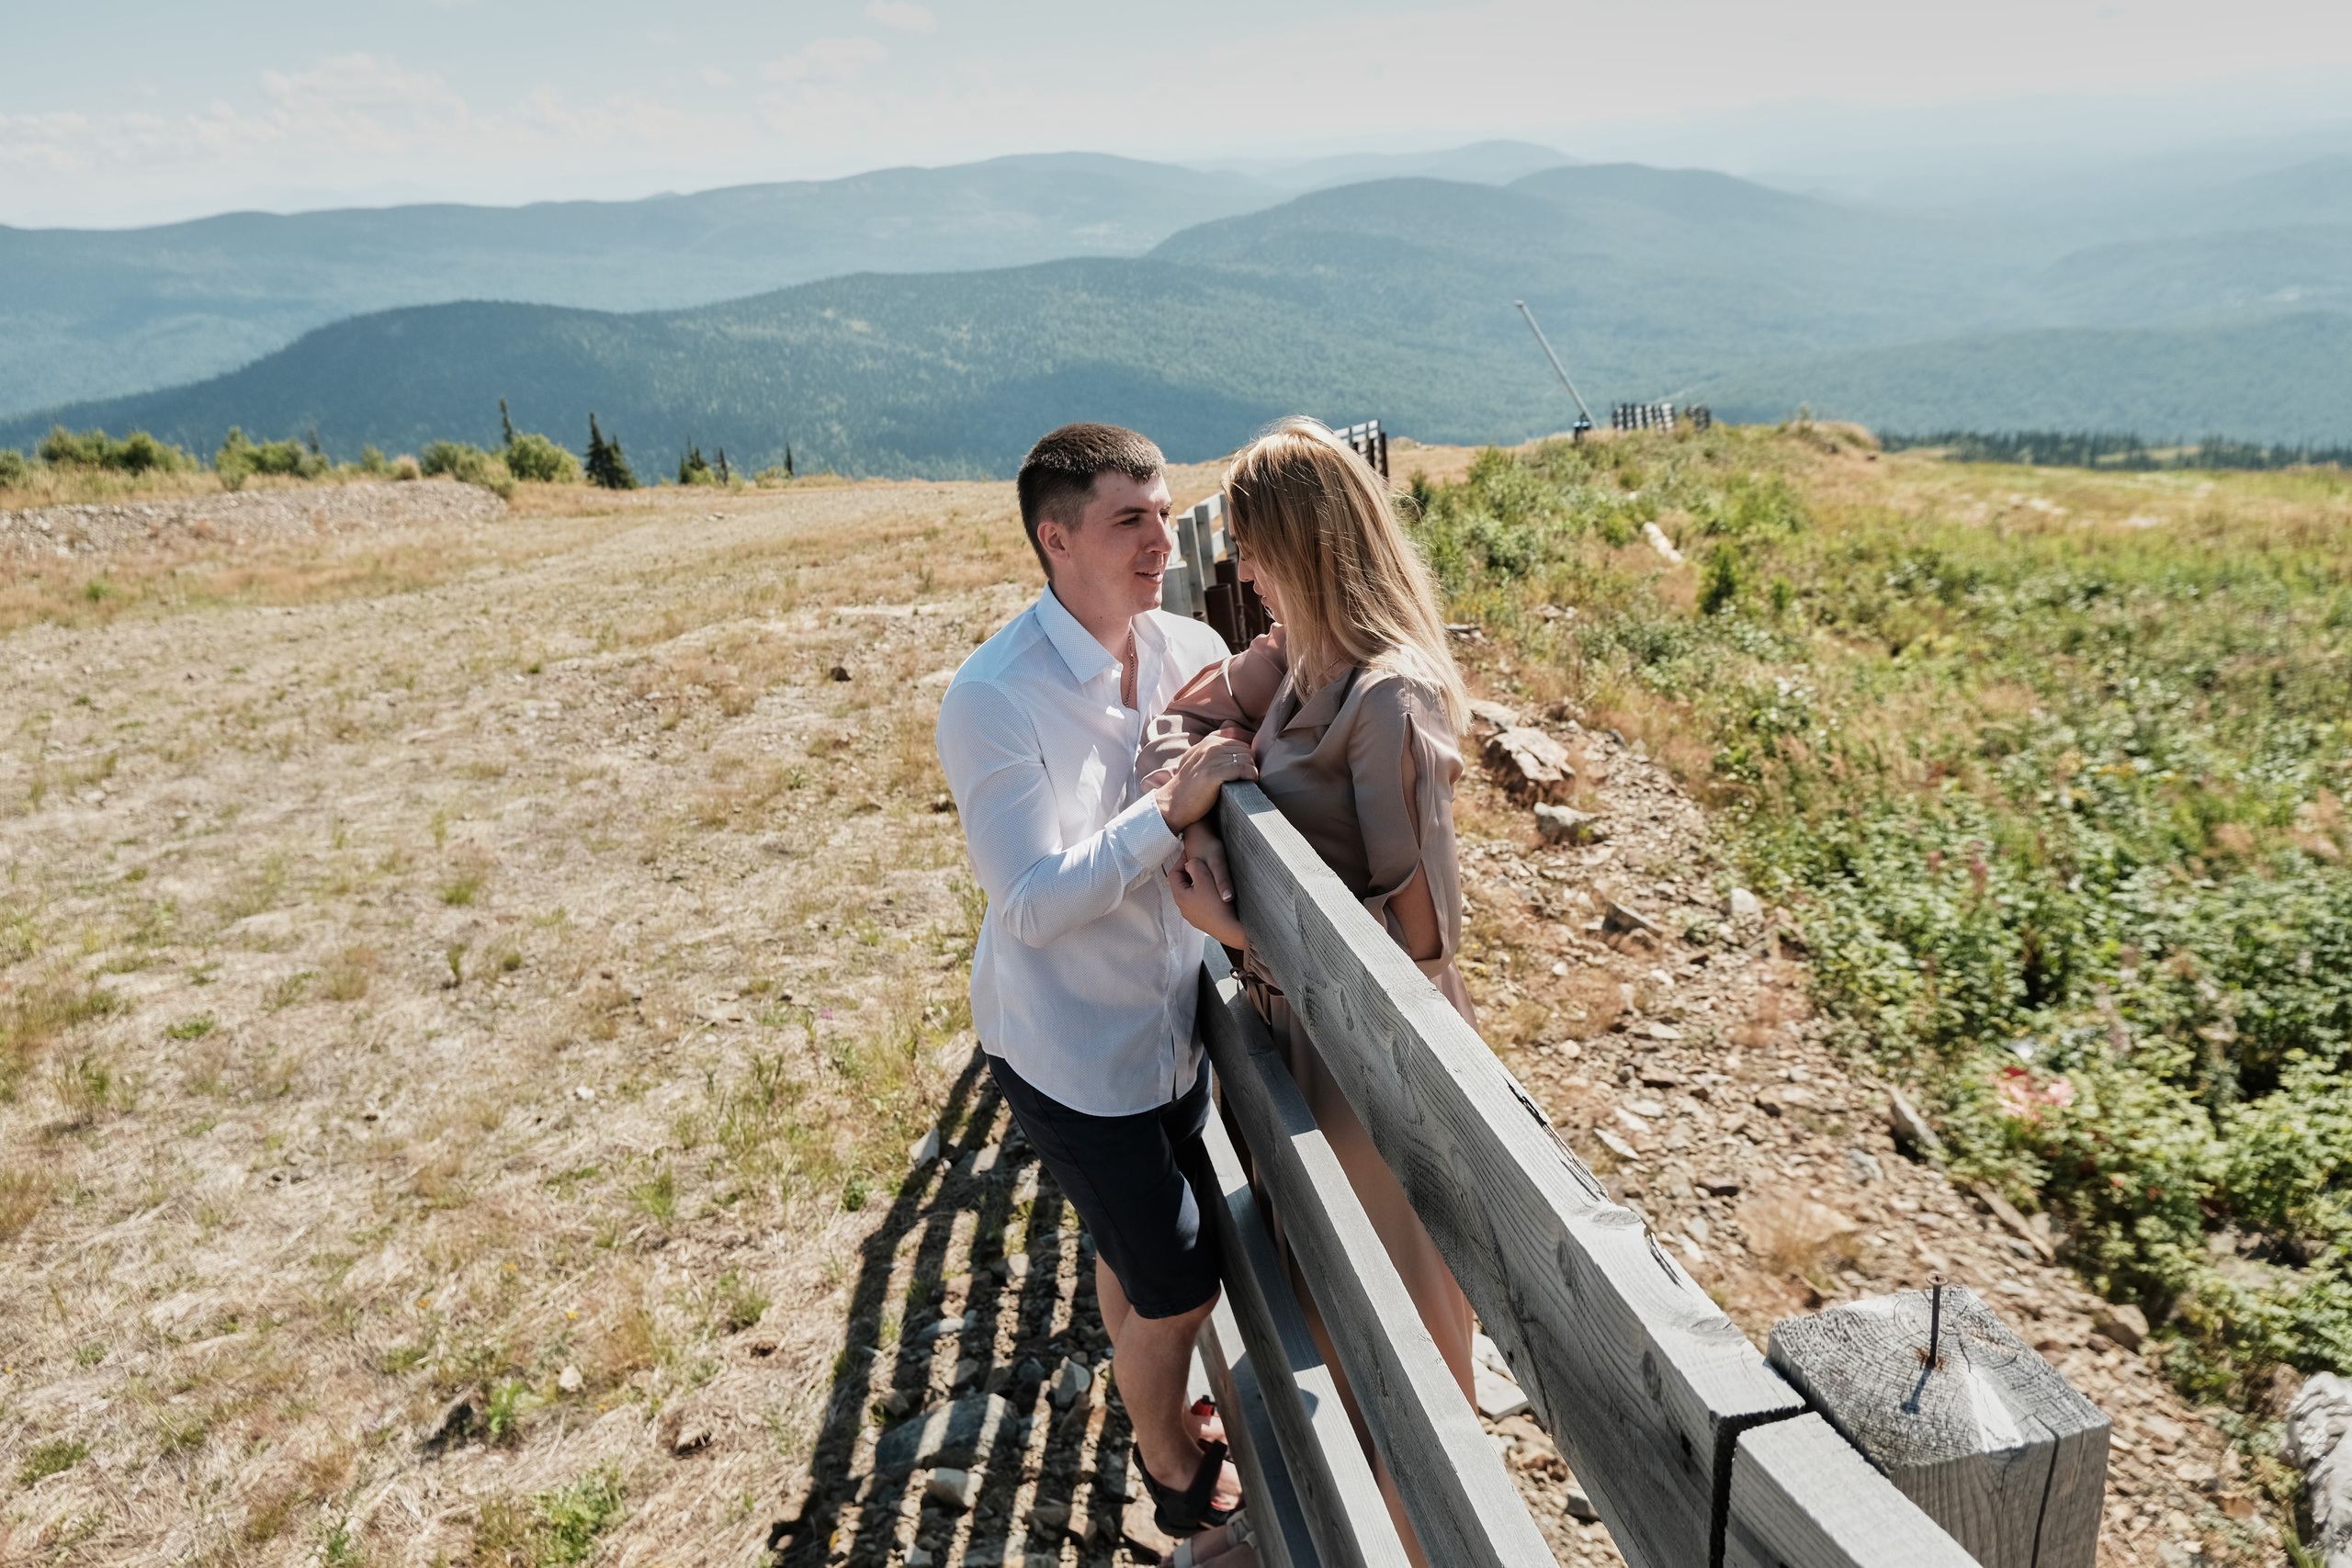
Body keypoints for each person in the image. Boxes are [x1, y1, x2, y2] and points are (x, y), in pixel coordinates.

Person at [1139, 417, 1477, 1565]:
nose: (1238, 572)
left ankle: (1422, 1544)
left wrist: (1231, 926)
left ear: (1308, 547)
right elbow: (1180, 716)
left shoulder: (1388, 702)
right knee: (1324, 1306)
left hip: (1377, 1078)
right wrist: (1193, 781)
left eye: (1254, 546)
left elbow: (1419, 951)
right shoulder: (1298, 662)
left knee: (1402, 1326)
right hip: (1300, 1043)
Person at [934, 423, 1258, 1538]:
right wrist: (1164, 817)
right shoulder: (994, 698)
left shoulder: (1184, 644)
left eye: (1165, 510)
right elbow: (1025, 903)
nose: (1161, 539)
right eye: (1130, 518)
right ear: (1054, 536)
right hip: (1072, 1053)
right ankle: (1176, 1487)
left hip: (1171, 1024)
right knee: (1177, 1283)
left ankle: (1148, 1404)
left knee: (1137, 1257)